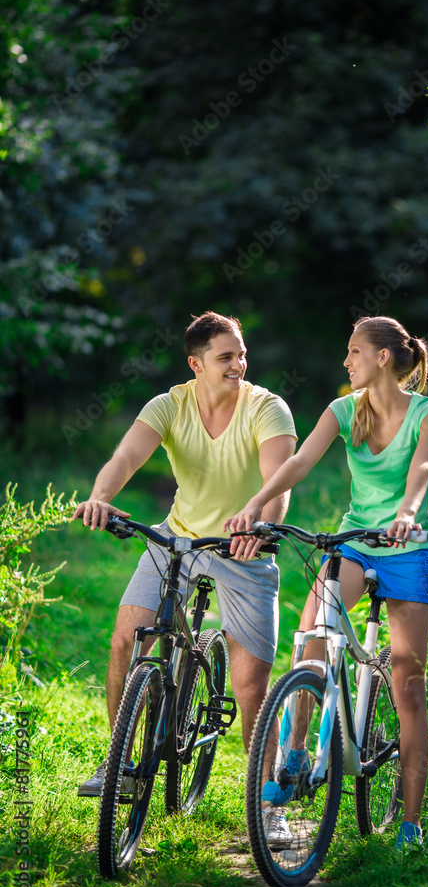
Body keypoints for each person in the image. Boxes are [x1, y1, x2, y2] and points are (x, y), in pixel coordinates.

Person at [226, 315, 428, 850]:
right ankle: (295, 752)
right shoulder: (344, 410)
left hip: (406, 546)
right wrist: (256, 504)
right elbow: (300, 461)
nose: (346, 361)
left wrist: (407, 513)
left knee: (408, 683)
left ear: (383, 357)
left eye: (354, 351)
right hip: (353, 540)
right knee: (312, 642)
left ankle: (410, 825)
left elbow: (423, 467)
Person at [74, 311, 297, 809]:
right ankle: (120, 763)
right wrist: (100, 496)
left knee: (250, 686)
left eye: (241, 353)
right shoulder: (169, 405)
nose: (239, 363)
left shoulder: (267, 408)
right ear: (196, 364)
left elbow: (277, 482)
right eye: (225, 357)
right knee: (125, 638)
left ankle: (269, 808)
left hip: (244, 548)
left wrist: (259, 523)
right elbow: (126, 458)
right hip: (177, 538)